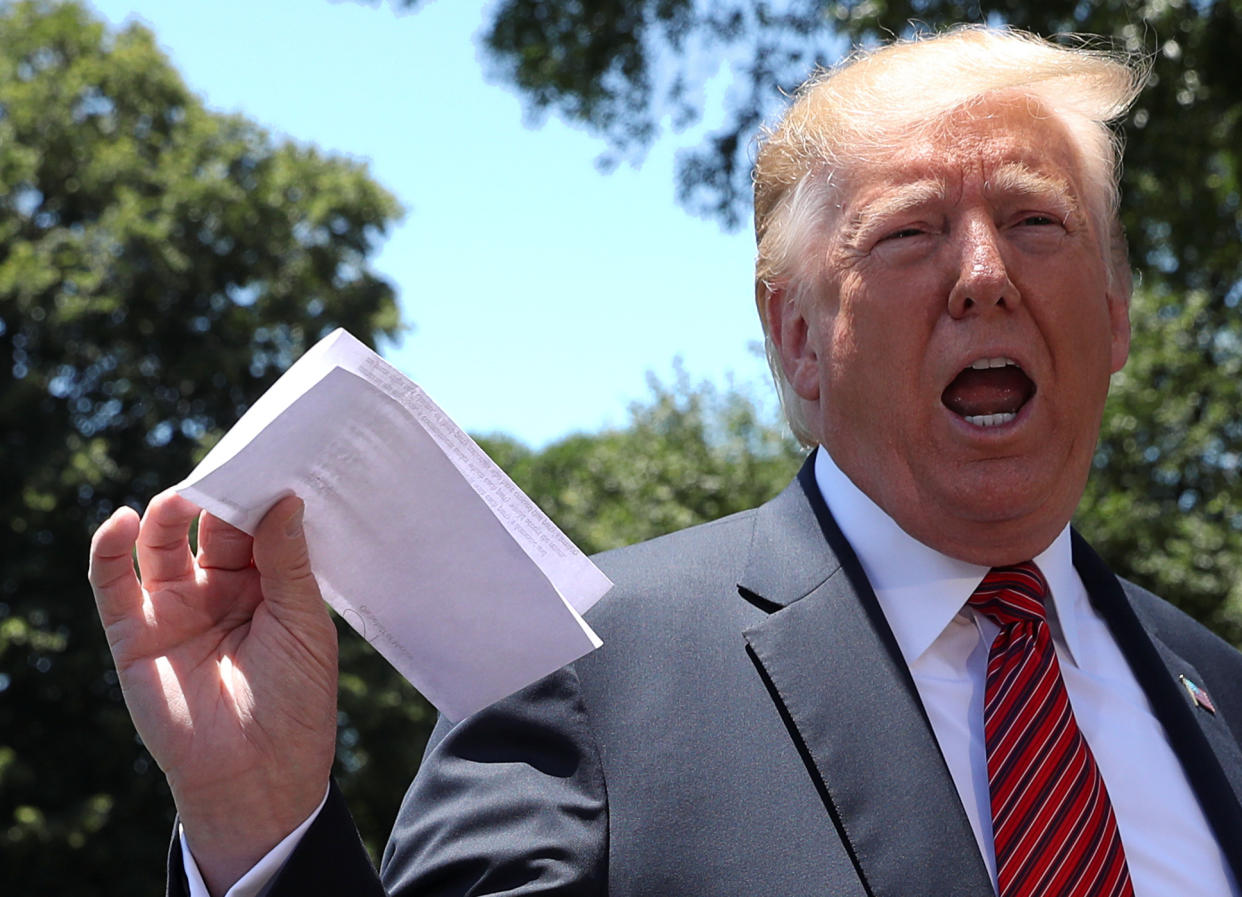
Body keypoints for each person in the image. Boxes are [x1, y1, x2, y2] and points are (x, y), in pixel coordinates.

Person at [88, 25, 1242, 897]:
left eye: (1038, 223)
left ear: (1116, 310)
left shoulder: (1220, 699)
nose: (985, 273)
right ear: (797, 339)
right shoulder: (580, 670)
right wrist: (263, 833)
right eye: (909, 233)